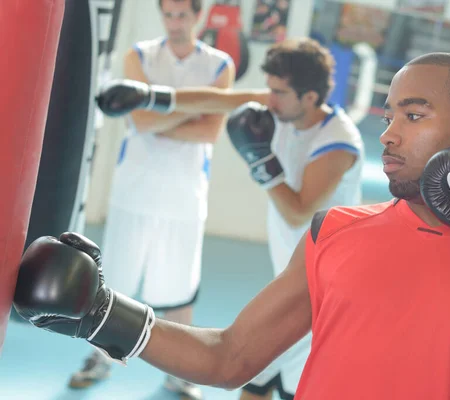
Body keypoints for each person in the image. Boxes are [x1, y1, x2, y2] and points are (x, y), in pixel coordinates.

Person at [14, 52, 450, 400]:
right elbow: (229, 358)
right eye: (388, 118)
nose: (387, 135)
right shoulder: (334, 232)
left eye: (412, 116)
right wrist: (100, 312)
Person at [98, 37, 364, 400]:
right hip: (291, 280)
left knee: (279, 384)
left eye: (278, 92)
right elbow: (217, 99)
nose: (267, 99)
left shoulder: (338, 141)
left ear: (310, 98)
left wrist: (261, 162)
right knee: (251, 381)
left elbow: (297, 210)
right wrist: (149, 97)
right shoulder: (283, 106)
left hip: (323, 297)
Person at [67, 0, 234, 398]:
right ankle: (100, 359)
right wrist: (190, 109)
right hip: (134, 191)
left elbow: (209, 131)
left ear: (199, 16)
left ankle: (183, 373)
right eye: (168, 14)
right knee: (114, 282)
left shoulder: (219, 65)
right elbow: (139, 122)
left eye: (182, 14)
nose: (175, 22)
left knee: (180, 287)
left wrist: (157, 112)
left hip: (185, 194)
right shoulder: (138, 55)